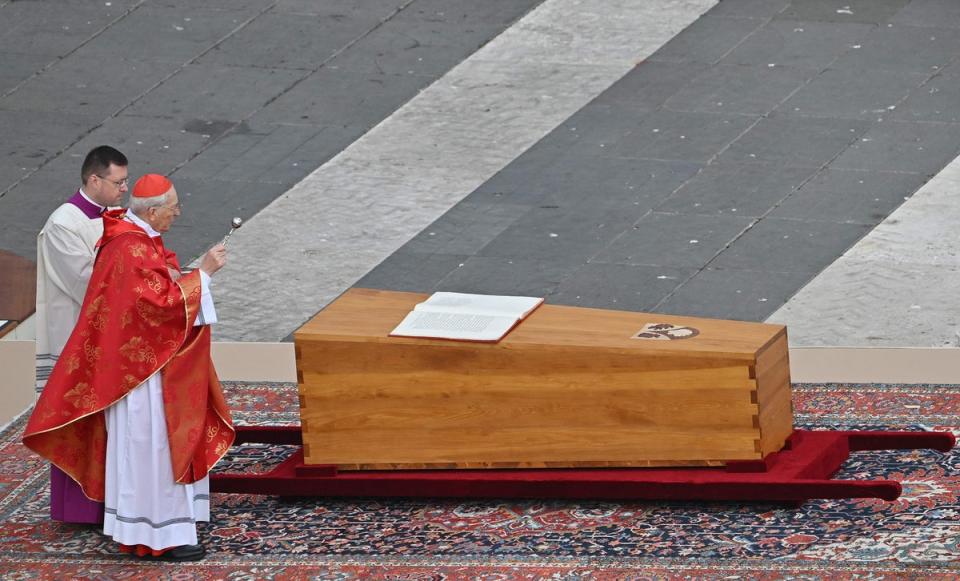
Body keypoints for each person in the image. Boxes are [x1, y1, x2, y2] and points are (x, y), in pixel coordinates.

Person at [23, 174, 234, 562]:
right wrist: (203, 274)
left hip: (137, 369)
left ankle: (147, 524)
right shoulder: (129, 248)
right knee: (153, 449)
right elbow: (158, 309)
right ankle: (158, 534)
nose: (178, 214)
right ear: (152, 213)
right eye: (173, 209)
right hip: (143, 377)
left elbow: (154, 287)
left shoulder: (131, 238)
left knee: (145, 450)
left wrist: (177, 275)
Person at [35, 145, 128, 524]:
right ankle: (81, 511)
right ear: (94, 179)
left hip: (106, 336)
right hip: (77, 340)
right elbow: (88, 283)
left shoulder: (112, 216)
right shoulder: (63, 226)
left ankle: (111, 504)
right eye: (118, 182)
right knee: (81, 425)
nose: (124, 189)